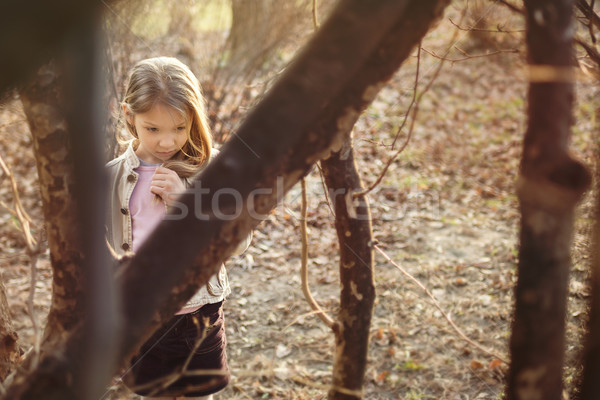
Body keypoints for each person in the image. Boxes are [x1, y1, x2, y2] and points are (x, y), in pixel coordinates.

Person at [105, 56, 250, 399]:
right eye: (152, 128)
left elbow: (240, 242)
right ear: (129, 116)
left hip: (197, 317)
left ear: (194, 118)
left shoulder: (215, 169)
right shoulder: (109, 177)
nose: (167, 142)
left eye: (180, 128)